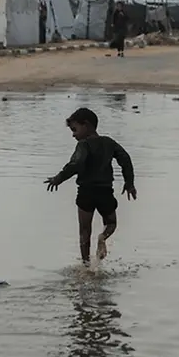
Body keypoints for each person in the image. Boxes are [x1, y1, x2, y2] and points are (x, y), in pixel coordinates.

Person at [45, 108, 136, 265]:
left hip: (86, 193)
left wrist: (59, 178)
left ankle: (86, 265)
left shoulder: (83, 145)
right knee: (111, 223)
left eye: (75, 129)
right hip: (105, 192)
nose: (73, 134)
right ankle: (102, 238)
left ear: (86, 125)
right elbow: (125, 159)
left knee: (84, 231)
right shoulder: (109, 142)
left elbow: (76, 163)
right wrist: (129, 183)